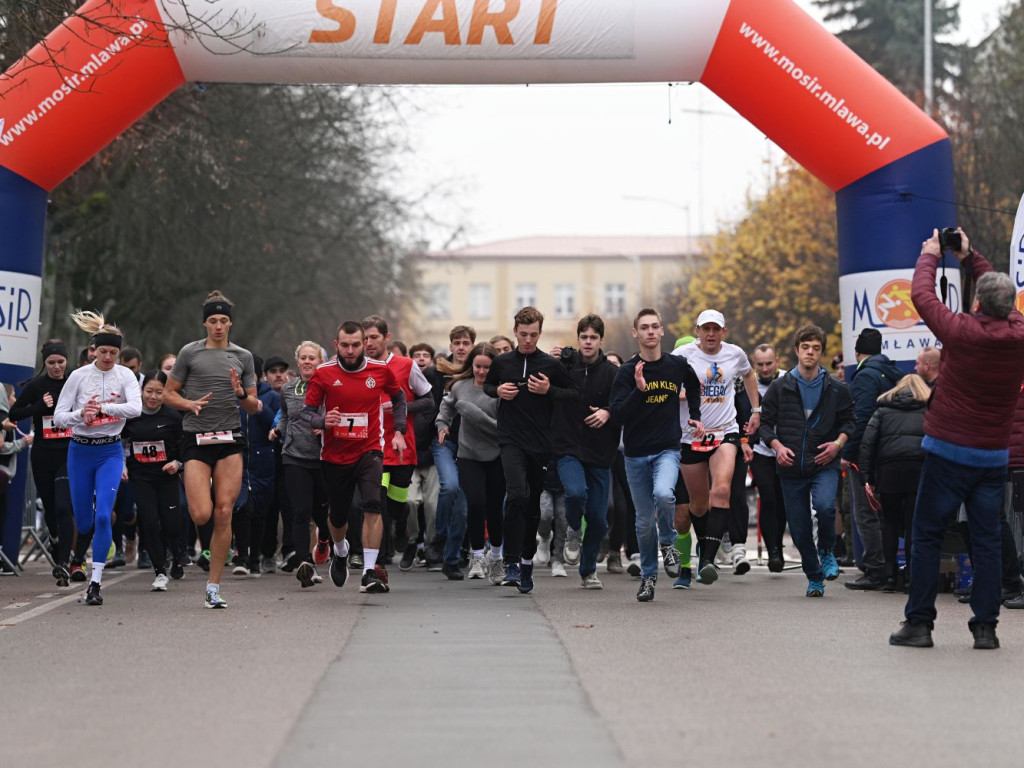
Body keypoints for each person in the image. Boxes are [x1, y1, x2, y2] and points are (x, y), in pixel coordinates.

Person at [890, 228, 1024, 650]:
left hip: (947, 453)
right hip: (992, 457)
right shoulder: (1019, 335)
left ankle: (920, 624)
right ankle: (985, 627)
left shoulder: (961, 332)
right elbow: (1009, 304)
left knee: (927, 535)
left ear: (978, 303)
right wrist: (971, 257)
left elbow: (923, 296)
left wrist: (931, 254)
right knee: (986, 541)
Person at [163, 291, 260, 609]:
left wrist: (240, 392)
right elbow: (168, 394)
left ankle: (214, 587)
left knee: (223, 512)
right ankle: (207, 559)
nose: (218, 325)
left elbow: (254, 406)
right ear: (204, 322)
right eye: (212, 320)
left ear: (230, 322)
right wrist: (188, 404)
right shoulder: (189, 353)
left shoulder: (243, 356)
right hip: (196, 439)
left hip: (230, 438)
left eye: (223, 320)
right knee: (201, 513)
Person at [301, 320, 409, 594]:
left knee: (373, 503)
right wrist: (323, 420)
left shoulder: (381, 371)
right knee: (337, 517)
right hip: (335, 455)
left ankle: (370, 570)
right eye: (345, 345)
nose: (350, 350)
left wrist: (398, 432)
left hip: (370, 449)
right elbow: (306, 412)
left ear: (365, 344)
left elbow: (399, 399)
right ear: (337, 345)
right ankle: (340, 551)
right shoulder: (323, 373)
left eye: (356, 345)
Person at [610, 308, 703, 603]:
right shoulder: (627, 371)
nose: (650, 332)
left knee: (664, 494)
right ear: (635, 334)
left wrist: (696, 416)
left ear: (663, 331)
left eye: (655, 327)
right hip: (635, 454)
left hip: (667, 448)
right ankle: (649, 578)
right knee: (643, 521)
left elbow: (694, 385)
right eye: (644, 328)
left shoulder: (676, 365)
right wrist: (639, 390)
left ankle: (668, 542)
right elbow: (617, 415)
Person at [484, 306, 577, 593]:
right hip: (510, 439)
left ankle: (526, 564)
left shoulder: (549, 364)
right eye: (523, 334)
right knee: (517, 495)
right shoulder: (503, 363)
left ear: (540, 333)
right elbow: (487, 385)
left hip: (540, 444)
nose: (528, 340)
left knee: (533, 504)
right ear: (515, 332)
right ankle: (510, 562)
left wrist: (549, 390)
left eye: (533, 335)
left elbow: (574, 394)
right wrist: (497, 392)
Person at [54, 311, 142, 606]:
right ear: (93, 350)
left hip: (110, 451)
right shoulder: (79, 377)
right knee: (85, 520)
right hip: (80, 451)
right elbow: (58, 417)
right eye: (103, 351)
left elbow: (135, 408)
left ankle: (95, 583)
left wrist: (105, 409)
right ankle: (87, 551)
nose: (108, 357)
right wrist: (82, 413)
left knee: (104, 515)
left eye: (113, 352)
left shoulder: (125, 375)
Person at [759, 324, 853, 597]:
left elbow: (850, 422)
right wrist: (776, 446)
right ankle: (814, 577)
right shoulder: (780, 387)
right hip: (791, 468)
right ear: (796, 350)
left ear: (821, 352)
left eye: (816, 348)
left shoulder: (837, 389)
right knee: (799, 531)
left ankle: (826, 550)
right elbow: (765, 425)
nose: (810, 352)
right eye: (805, 347)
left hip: (824, 462)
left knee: (825, 508)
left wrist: (838, 445)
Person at [673, 310, 760, 585]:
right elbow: (666, 385)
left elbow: (749, 375)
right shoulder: (683, 355)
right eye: (705, 328)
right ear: (697, 330)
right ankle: (703, 549)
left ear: (724, 331)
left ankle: (708, 560)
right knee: (698, 505)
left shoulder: (735, 354)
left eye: (716, 329)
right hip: (692, 435)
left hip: (725, 432)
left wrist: (756, 409)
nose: (711, 334)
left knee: (721, 490)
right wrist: (682, 393)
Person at [550, 314, 619, 589]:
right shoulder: (564, 366)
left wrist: (608, 412)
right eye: (583, 337)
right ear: (577, 339)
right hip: (567, 446)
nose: (588, 342)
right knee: (575, 493)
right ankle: (573, 529)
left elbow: (625, 405)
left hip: (601, 452)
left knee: (600, 520)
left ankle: (588, 571)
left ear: (601, 341)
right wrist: (550, 360)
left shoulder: (613, 373)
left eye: (593, 338)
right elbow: (542, 384)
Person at [362, 316, 433, 570]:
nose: (368, 343)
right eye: (365, 338)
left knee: (396, 503)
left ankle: (401, 524)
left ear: (386, 338)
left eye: (374, 337)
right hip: (372, 447)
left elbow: (429, 401)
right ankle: (377, 562)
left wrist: (399, 407)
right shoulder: (357, 367)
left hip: (401, 444)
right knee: (375, 502)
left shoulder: (406, 365)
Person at [436, 342, 505, 582]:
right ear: (471, 365)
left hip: (496, 454)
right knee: (475, 503)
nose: (482, 372)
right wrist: (443, 426)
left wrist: (475, 414)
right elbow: (446, 409)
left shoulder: (500, 391)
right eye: (478, 366)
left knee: (495, 508)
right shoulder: (460, 387)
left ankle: (496, 557)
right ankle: (476, 556)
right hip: (468, 454)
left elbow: (503, 429)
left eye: (487, 367)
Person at [843, 327, 904, 591]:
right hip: (892, 454)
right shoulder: (895, 374)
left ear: (858, 353)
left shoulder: (865, 376)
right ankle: (890, 569)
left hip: (867, 456)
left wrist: (848, 454)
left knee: (865, 513)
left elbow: (861, 418)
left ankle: (876, 569)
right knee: (887, 514)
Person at [10, 339, 74, 585]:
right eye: (51, 363)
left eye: (60, 362)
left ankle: (64, 562)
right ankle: (56, 541)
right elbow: (15, 413)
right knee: (50, 509)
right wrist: (38, 407)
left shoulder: (74, 381)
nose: (56, 367)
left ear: (66, 362)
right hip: (43, 453)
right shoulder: (37, 385)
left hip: (68, 452)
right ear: (44, 362)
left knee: (63, 506)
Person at [858, 374, 929, 592]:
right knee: (912, 525)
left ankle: (889, 575)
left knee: (888, 522)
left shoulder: (882, 410)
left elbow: (867, 444)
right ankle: (910, 576)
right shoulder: (929, 410)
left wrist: (867, 477)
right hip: (918, 470)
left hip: (889, 471)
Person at [274, 341, 331, 587]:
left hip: (323, 458)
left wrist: (328, 429)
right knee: (300, 512)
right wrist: (279, 431)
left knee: (322, 513)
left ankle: (325, 540)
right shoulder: (287, 389)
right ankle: (305, 564)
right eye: (304, 358)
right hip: (294, 456)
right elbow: (286, 415)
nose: (308, 361)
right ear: (298, 362)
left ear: (320, 362)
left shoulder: (330, 387)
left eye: (312, 358)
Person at [123, 371, 185, 591]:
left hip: (166, 477)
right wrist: (122, 466)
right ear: (141, 391)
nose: (153, 396)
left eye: (159, 392)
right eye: (149, 391)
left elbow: (184, 448)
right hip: (141, 477)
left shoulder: (173, 417)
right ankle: (159, 571)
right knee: (149, 522)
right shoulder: (131, 416)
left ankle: (177, 556)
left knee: (172, 524)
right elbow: (118, 443)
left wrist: (177, 464)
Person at [231, 355, 280, 577]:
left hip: (263, 457)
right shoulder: (232, 396)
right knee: (242, 507)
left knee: (261, 510)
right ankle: (241, 557)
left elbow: (276, 422)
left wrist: (258, 406)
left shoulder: (271, 396)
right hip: (238, 456)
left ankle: (255, 559)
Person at [748, 344, 788, 573]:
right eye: (760, 364)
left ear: (777, 361)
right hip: (761, 450)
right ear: (754, 364)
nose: (764, 368)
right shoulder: (749, 382)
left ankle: (778, 548)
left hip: (784, 448)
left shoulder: (788, 379)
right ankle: (773, 550)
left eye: (768, 363)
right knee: (768, 496)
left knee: (781, 501)